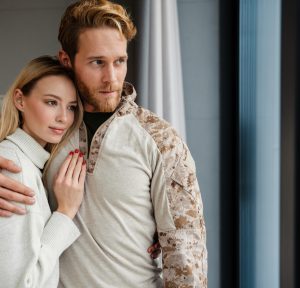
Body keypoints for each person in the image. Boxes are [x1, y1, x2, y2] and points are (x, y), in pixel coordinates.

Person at [0, 0, 207, 287]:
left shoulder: (160, 139)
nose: (112, 78)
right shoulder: (50, 128)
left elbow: (186, 254)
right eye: (97, 62)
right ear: (66, 60)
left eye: (119, 61)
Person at [0, 56, 86, 287]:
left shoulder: (27, 163)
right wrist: (65, 212)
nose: (63, 118)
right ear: (20, 99)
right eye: (51, 102)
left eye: (71, 107)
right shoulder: (14, 169)